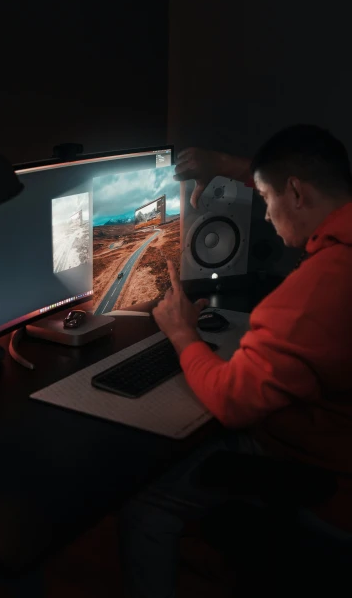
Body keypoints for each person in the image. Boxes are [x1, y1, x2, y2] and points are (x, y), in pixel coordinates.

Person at [118, 124, 352, 598]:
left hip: (331, 482)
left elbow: (231, 401)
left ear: (295, 193)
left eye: (265, 198)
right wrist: (229, 166)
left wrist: (183, 334)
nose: (265, 214)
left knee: (146, 504)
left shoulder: (313, 293)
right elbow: (292, 180)